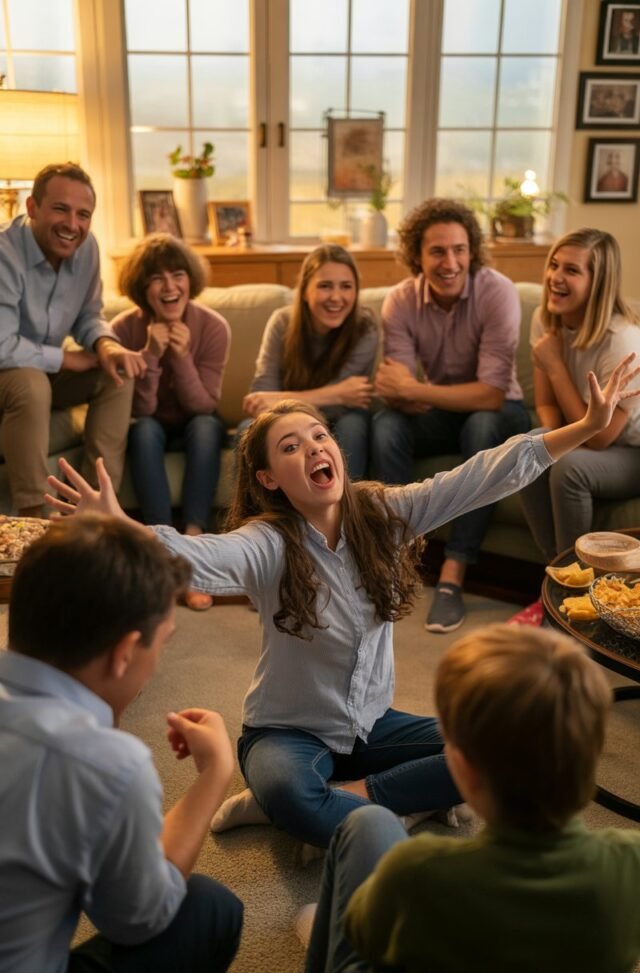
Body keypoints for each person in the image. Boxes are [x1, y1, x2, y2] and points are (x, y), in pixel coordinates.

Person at [46, 354, 640, 852]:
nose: (313, 448)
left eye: (319, 435)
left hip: (373, 727)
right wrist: (121, 525)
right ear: (270, 479)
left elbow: (486, 472)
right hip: (286, 733)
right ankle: (334, 810)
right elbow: (197, 557)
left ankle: (357, 802)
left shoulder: (383, 513)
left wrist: (587, 426)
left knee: (505, 744)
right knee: (291, 793)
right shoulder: (267, 543)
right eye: (289, 446)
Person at [265, 623, 640, 973]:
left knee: (369, 823)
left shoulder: (420, 871)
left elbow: (363, 939)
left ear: (459, 768)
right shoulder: (631, 860)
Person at [0, 514, 242, 973]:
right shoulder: (105, 763)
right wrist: (214, 775)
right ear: (125, 653)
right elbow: (138, 919)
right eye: (164, 642)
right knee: (208, 908)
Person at [371, 198, 530, 634]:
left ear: (472, 251)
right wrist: (406, 394)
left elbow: (492, 395)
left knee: (482, 425)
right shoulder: (400, 301)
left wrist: (415, 390)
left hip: (502, 414)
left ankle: (452, 574)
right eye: (437, 251)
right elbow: (394, 389)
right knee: (386, 426)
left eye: (459, 249)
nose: (450, 262)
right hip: (442, 411)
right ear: (417, 256)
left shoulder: (497, 291)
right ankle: (396, 560)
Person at [0, 162, 146, 518]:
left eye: (84, 215)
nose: (73, 225)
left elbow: (88, 315)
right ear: (32, 207)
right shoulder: (4, 252)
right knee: (31, 384)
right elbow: (2, 346)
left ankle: (95, 509)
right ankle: (35, 518)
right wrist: (65, 359)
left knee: (118, 373)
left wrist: (106, 346)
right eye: (61, 209)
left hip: (44, 371)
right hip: (10, 374)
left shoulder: (87, 248)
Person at [111, 233, 230, 611]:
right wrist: (149, 355)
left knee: (208, 426)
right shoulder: (122, 330)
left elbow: (203, 405)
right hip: (152, 426)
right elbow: (141, 410)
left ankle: (193, 542)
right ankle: (161, 546)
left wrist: (179, 358)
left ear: (189, 281)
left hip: (196, 424)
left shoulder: (213, 327)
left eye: (177, 275)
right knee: (143, 430)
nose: (169, 287)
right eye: (156, 278)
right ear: (140, 288)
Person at [519, 229, 640, 571]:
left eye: (571, 271)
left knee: (569, 470)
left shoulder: (623, 341)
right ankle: (558, 575)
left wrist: (556, 365)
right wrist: (550, 446)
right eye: (554, 265)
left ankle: (579, 578)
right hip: (591, 435)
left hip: (631, 450)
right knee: (529, 447)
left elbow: (601, 438)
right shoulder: (545, 319)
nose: (555, 278)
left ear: (598, 283)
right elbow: (546, 405)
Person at [241, 244, 378, 480]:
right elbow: (262, 397)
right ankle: (264, 515)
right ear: (305, 291)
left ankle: (347, 512)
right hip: (285, 421)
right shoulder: (282, 322)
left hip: (343, 419)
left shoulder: (365, 327)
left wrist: (279, 398)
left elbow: (347, 402)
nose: (336, 297)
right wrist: (336, 393)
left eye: (346, 286)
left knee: (353, 424)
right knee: (247, 430)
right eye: (325, 286)